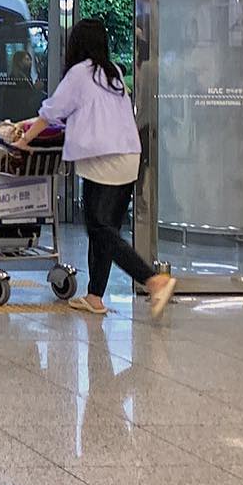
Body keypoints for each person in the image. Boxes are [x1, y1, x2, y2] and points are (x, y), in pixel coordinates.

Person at [17, 17, 176, 319]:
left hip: (103, 159)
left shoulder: (80, 72)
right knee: (106, 228)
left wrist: (25, 140)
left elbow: (52, 111)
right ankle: (94, 296)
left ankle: (152, 279)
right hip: (128, 156)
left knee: (98, 228)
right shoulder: (113, 72)